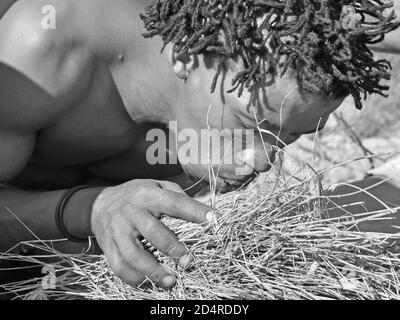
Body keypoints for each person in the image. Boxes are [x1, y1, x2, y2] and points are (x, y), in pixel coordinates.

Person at [0, 0, 397, 289]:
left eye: (289, 135)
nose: (262, 159)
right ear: (187, 56)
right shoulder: (47, 47)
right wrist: (92, 208)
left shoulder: (252, 81)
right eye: (249, 122)